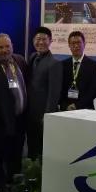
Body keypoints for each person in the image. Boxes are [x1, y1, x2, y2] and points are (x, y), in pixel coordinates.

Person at [0, 33, 27, 191]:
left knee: (16, 150)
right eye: (0, 47)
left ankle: (13, 179)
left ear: (12, 47)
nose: (4, 50)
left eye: (7, 46)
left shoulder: (19, 61)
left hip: (19, 117)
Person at [26, 26, 62, 159]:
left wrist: (47, 115)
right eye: (38, 39)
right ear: (33, 41)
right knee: (31, 144)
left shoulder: (54, 63)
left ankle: (40, 170)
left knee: (43, 147)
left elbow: (54, 93)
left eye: (44, 39)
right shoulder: (32, 57)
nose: (40, 42)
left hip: (43, 114)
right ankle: (31, 168)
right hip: (30, 111)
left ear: (50, 41)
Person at [59, 31, 96, 111]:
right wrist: (64, 105)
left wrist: (77, 106)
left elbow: (93, 90)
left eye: (78, 42)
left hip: (85, 109)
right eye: (73, 43)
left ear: (84, 44)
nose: (76, 46)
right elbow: (59, 88)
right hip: (66, 109)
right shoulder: (62, 64)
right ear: (69, 46)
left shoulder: (93, 65)